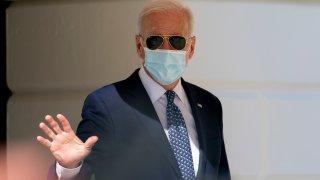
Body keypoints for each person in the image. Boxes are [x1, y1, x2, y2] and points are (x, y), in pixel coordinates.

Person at [37, 0, 231, 180]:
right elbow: (81, 171)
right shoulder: (108, 104)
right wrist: (69, 165)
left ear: (191, 47)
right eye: (154, 41)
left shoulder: (210, 105)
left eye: (176, 41)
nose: (166, 48)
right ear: (139, 46)